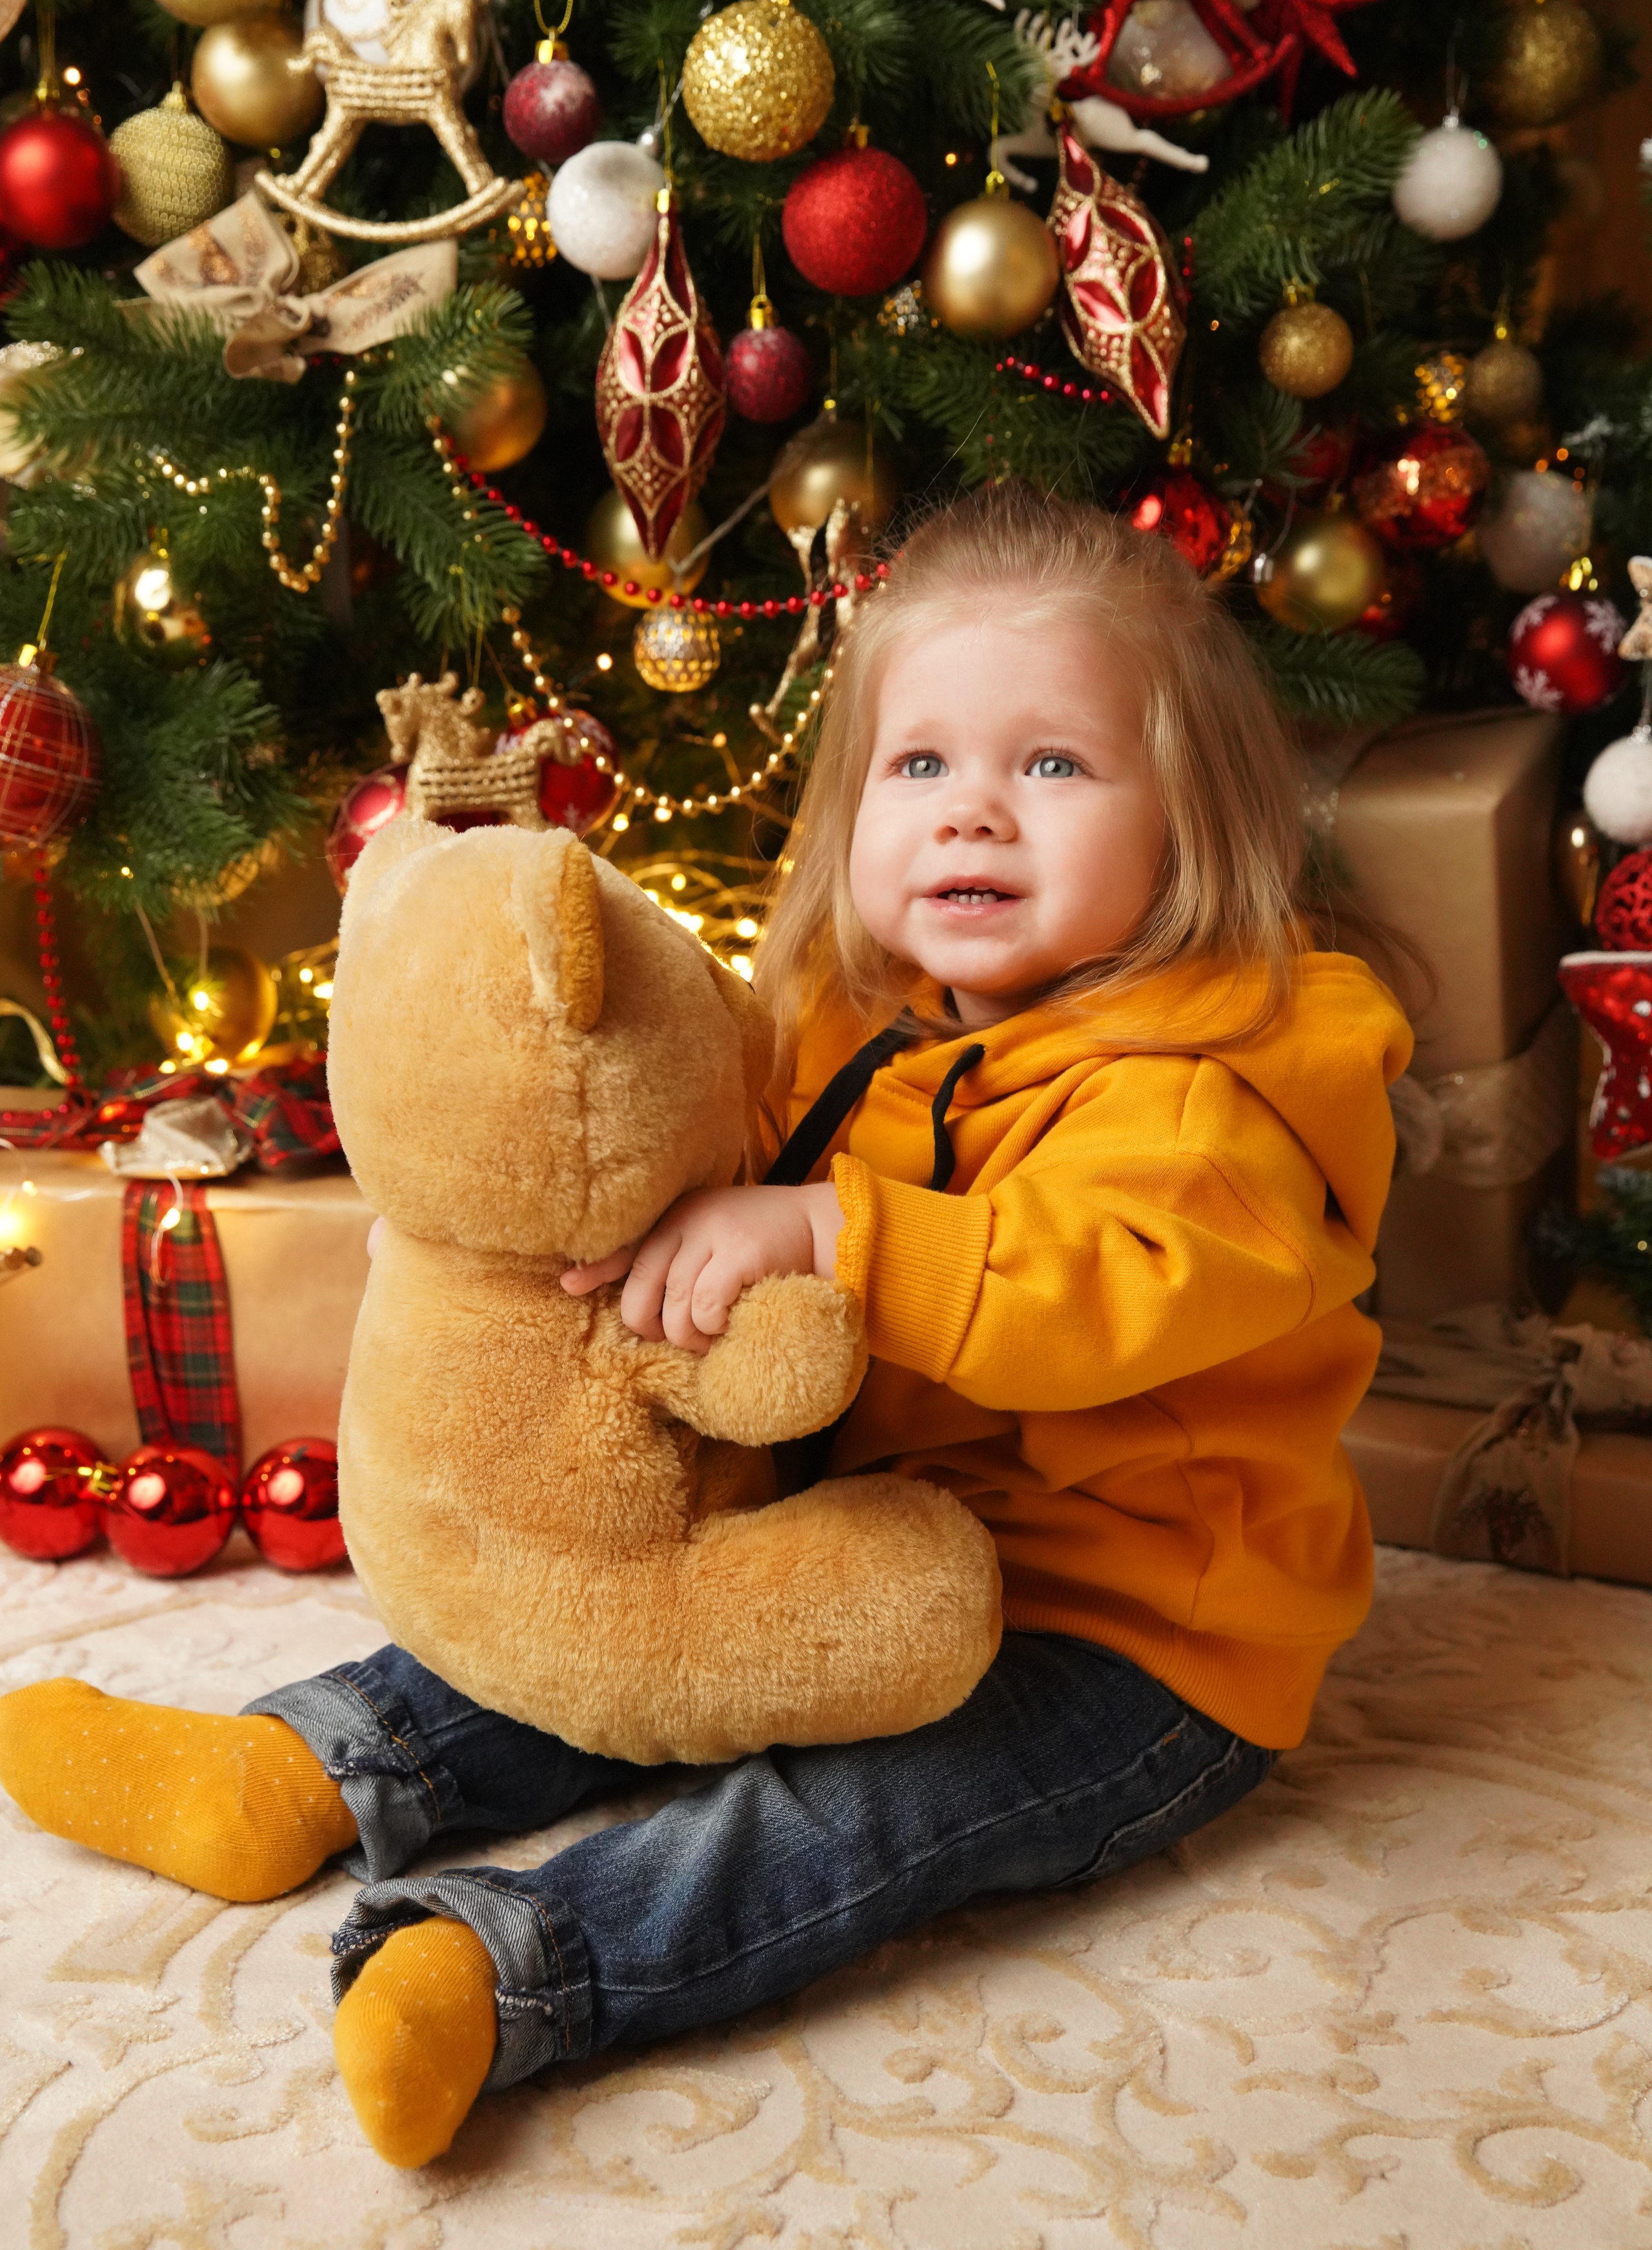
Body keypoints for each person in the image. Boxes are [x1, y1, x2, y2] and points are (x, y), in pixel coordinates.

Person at [0, 481, 1412, 2168]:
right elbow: (727, 1149)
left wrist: (836, 1229)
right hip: (843, 1536)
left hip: (1133, 1646)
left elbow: (1087, 1295)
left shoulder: (1220, 1090)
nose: (976, 815)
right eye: (923, 766)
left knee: (844, 1822)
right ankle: (299, 1769)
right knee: (593, 1625)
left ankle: (518, 1965)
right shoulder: (846, 1010)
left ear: (1189, 822)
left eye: (1053, 765)